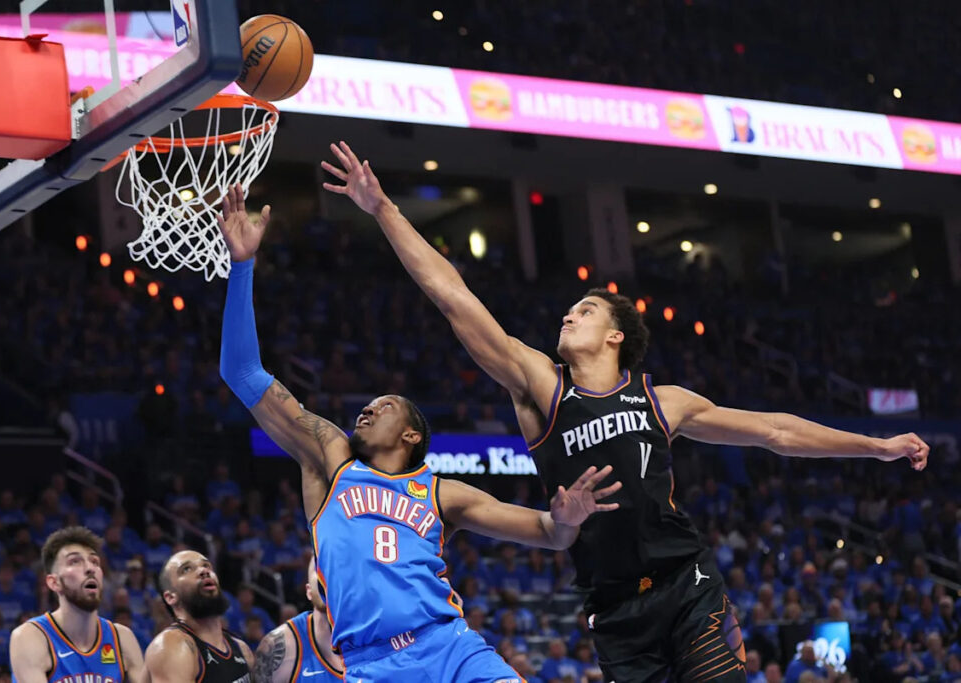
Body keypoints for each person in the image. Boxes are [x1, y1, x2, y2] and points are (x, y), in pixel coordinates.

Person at [321, 140, 932, 682]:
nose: (568, 315)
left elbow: (776, 432)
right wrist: (384, 210)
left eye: (585, 311)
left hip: (686, 585)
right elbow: (454, 298)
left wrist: (874, 446)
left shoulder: (664, 402)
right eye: (569, 310)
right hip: (613, 609)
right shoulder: (543, 388)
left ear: (616, 336)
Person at [216, 183, 621, 683]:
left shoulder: (440, 491)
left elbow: (548, 534)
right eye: (367, 405)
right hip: (370, 663)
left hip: (448, 645)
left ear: (411, 435)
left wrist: (567, 517)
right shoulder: (329, 457)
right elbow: (242, 372)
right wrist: (242, 267)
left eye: (382, 406)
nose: (366, 409)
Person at [8, 527, 144, 683]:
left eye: (94, 562)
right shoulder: (31, 637)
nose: (90, 568)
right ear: (54, 582)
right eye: (75, 561)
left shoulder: (122, 638)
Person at [143, 550, 253, 683]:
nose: (204, 571)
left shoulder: (241, 648)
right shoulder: (171, 646)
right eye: (187, 569)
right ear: (171, 597)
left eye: (206, 565)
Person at [253, 557, 342, 682]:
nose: (326, 576)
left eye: (333, 569)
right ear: (308, 591)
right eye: (320, 570)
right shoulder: (278, 646)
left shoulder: (374, 635)